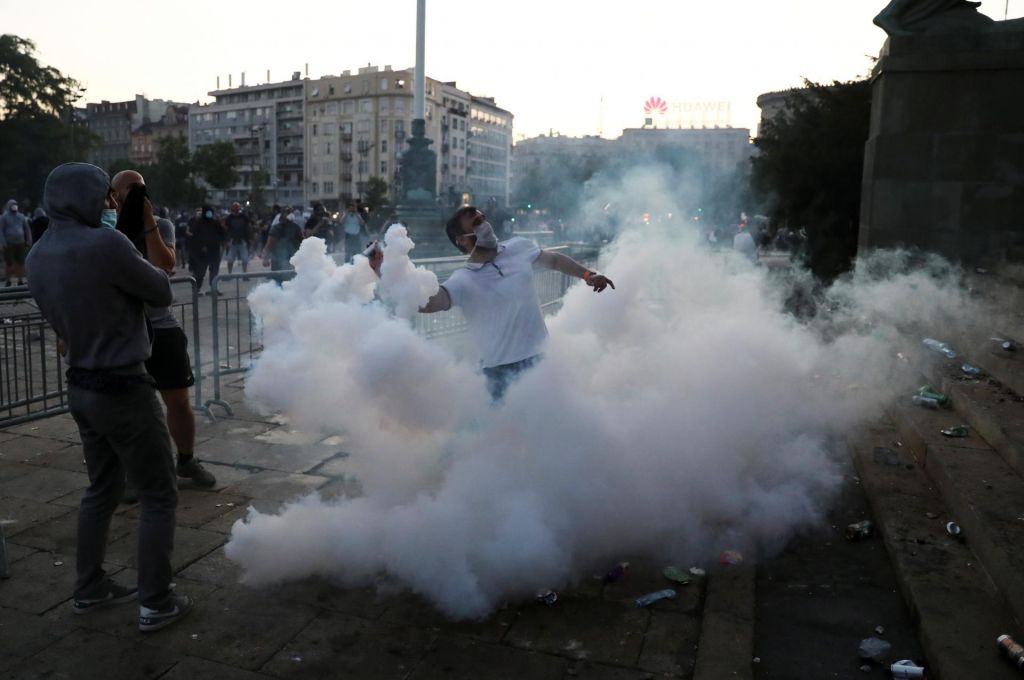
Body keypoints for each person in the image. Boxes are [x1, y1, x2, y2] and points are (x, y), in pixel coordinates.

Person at [26, 162, 193, 631]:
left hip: (80, 384)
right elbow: (160, 289)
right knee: (160, 493)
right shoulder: (105, 242)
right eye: (104, 196)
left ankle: (89, 587)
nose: (110, 205)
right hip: (123, 385)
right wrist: (138, 231)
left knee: (101, 490)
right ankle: (156, 603)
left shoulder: (39, 254)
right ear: (83, 197)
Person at [419, 206, 615, 401]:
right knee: (505, 430)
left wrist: (588, 274)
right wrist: (395, 280)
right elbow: (433, 302)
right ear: (462, 240)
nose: (486, 225)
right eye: (477, 223)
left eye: (484, 218)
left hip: (541, 360)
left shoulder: (519, 247)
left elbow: (554, 260)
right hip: (500, 374)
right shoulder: (463, 279)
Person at [111, 170, 217, 498]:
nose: (136, 192)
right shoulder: (104, 228)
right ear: (113, 194)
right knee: (129, 409)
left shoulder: (160, 224)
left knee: (179, 402)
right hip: (123, 330)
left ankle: (185, 459)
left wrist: (146, 221)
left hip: (162, 327)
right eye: (129, 188)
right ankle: (133, 472)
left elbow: (165, 265)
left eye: (141, 187)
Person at [187, 205, 226, 293]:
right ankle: (196, 289)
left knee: (214, 272)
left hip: (214, 251)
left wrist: (221, 242)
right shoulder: (198, 223)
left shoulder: (216, 223)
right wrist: (200, 247)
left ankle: (213, 289)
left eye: (210, 211)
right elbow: (194, 237)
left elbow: (223, 234)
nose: (209, 213)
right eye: (208, 211)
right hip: (202, 253)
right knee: (200, 272)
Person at [262, 205, 304, 275]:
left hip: (292, 260)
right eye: (287, 212)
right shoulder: (276, 228)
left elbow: (302, 243)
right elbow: (269, 244)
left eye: (291, 212)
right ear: (282, 215)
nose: (290, 214)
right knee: (278, 281)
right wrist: (265, 259)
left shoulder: (296, 228)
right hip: (278, 260)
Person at [1, 199, 32, 287]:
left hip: (20, 242)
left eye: (15, 204)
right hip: (8, 243)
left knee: (20, 262)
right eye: (12, 204)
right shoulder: (4, 217)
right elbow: (1, 231)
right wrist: (2, 242)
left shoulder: (21, 216)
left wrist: (29, 241)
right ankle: (8, 281)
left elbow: (27, 229)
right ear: (8, 205)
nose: (14, 206)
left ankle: (20, 280)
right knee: (9, 263)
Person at [223, 202, 252, 274]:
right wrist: (227, 240)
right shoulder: (229, 217)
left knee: (245, 259)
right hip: (232, 240)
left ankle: (244, 274)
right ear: (232, 208)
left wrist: (249, 239)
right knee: (230, 259)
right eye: (234, 207)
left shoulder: (244, 216)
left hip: (242, 240)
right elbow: (226, 229)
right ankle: (229, 274)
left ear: (239, 208)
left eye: (237, 207)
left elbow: (248, 227)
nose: (236, 208)